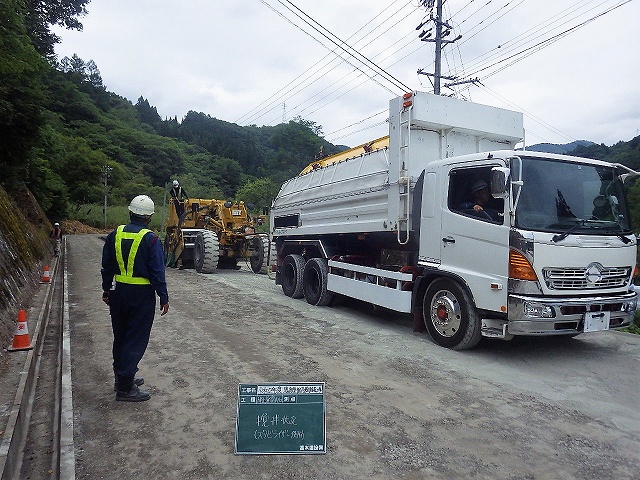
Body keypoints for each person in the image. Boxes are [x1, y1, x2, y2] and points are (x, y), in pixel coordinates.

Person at [101, 195, 169, 402]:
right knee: (135, 338)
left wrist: (106, 289)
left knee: (121, 336)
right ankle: (125, 388)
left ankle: (121, 376)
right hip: (140, 296)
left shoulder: (115, 234)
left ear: (130, 212)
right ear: (149, 217)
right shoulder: (151, 239)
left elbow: (107, 265)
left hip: (118, 293)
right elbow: (157, 272)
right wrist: (163, 297)